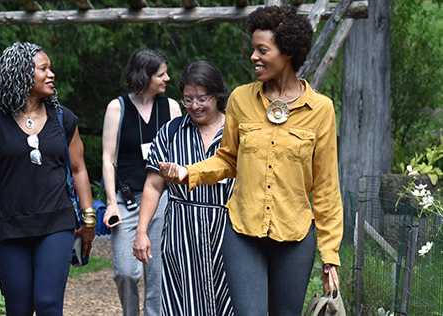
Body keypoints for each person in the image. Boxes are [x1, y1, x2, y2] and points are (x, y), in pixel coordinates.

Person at [158, 6, 343, 315]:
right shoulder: (241, 99)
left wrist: (330, 255)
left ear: (287, 52)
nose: (253, 57)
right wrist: (188, 172)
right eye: (253, 49)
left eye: (262, 50)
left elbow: (325, 186)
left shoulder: (321, 109)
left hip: (295, 236)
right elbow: (228, 159)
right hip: (242, 233)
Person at [0, 42, 96, 316]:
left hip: (56, 222)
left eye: (50, 68)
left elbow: (79, 169)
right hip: (11, 225)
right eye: (43, 69)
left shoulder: (63, 119)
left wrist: (89, 219)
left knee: (47, 304)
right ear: (22, 73)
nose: (51, 74)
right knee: (18, 308)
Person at [133, 61, 236, 315]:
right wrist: (142, 231)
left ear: (217, 95)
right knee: (182, 304)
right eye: (188, 100)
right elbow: (154, 186)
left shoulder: (236, 132)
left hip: (228, 231)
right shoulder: (171, 132)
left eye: (202, 99)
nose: (194, 106)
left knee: (230, 303)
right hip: (182, 233)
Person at [101, 48, 182, 316]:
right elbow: (108, 159)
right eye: (161, 74)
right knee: (126, 271)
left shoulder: (171, 107)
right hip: (125, 200)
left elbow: (180, 155)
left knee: (157, 273)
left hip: (161, 200)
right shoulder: (117, 107)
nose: (167, 78)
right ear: (144, 76)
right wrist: (111, 203)